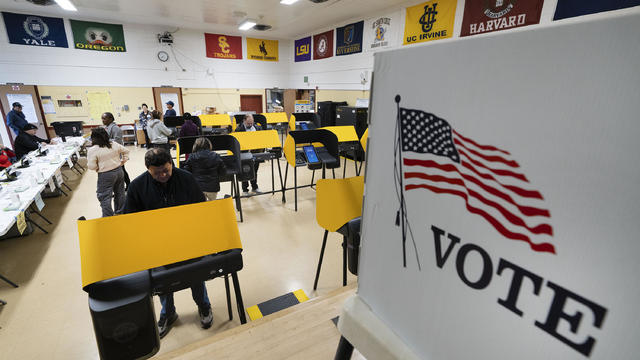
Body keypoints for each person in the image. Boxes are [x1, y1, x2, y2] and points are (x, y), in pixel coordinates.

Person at [123, 148, 213, 338]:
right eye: (157, 173)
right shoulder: (137, 187)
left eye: (166, 170)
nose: (163, 175)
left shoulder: (186, 178)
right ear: (148, 169)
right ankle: (168, 313)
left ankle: (204, 305)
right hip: (157, 243)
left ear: (171, 164)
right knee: (162, 281)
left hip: (187, 239)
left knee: (195, 274)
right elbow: (129, 219)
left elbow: (201, 208)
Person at [86, 128, 129, 217]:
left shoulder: (93, 150)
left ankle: (108, 216)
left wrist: (98, 167)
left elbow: (91, 166)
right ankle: (120, 212)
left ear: (93, 138)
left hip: (105, 174)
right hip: (119, 171)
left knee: (104, 196)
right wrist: (123, 161)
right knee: (120, 193)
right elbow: (126, 151)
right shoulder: (113, 144)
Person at [102, 112, 130, 190]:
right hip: (111, 154)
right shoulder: (108, 127)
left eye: (104, 118)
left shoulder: (115, 128)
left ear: (110, 119)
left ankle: (128, 184)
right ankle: (127, 185)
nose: (103, 120)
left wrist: (105, 141)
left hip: (117, 154)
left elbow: (117, 142)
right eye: (102, 118)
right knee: (120, 170)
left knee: (121, 170)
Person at [235, 114, 262, 194]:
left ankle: (254, 187)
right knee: (245, 171)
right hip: (244, 153)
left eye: (251, 123)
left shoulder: (257, 128)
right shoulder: (239, 129)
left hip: (255, 152)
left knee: (255, 171)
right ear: (244, 121)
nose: (250, 125)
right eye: (248, 123)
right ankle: (245, 190)